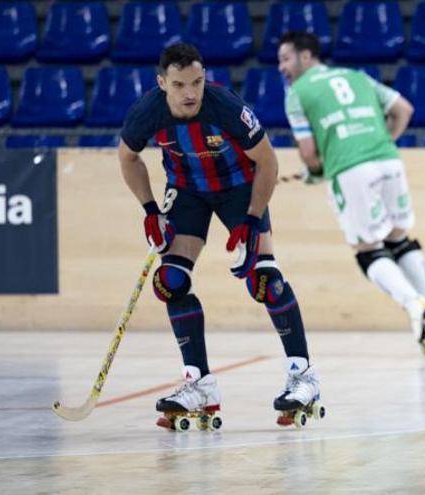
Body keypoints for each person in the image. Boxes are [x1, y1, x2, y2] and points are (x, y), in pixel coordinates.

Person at [118, 43, 320, 429]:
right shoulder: (149, 111)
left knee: (265, 281)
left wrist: (252, 219)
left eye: (196, 81)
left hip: (240, 189)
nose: (190, 93)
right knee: (171, 282)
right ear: (162, 83)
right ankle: (200, 384)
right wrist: (149, 210)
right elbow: (127, 157)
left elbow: (268, 161)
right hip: (188, 192)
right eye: (179, 85)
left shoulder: (224, 106)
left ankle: (303, 376)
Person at [277, 31, 425, 355]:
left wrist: (315, 172)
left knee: (367, 249)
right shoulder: (357, 77)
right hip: (388, 160)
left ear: (305, 56)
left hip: (351, 170)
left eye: (285, 58)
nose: (281, 67)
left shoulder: (296, 93)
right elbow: (404, 110)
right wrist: (381, 143)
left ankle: (416, 308)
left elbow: (309, 154)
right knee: (399, 239)